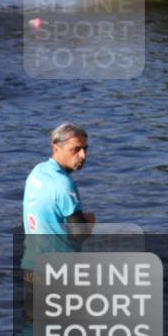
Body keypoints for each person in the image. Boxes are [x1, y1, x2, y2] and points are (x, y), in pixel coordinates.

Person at [22, 123, 96, 315]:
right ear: (56, 148)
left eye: (85, 149)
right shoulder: (64, 184)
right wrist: (90, 221)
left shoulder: (36, 173)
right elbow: (80, 233)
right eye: (76, 149)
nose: (83, 156)